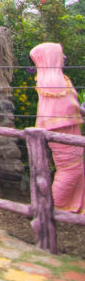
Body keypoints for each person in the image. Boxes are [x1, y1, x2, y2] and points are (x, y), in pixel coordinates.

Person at [32, 42, 85, 213]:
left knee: (75, 168)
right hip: (62, 129)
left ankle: (69, 205)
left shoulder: (59, 78)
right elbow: (65, 107)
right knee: (71, 170)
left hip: (69, 128)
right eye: (60, 54)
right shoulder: (52, 81)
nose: (64, 58)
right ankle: (52, 209)